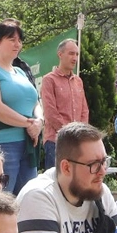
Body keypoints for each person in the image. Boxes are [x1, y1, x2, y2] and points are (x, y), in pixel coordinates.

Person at [0, 20, 42, 195]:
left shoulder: (20, 72)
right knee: (2, 198)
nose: (17, 44)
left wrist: (39, 121)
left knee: (29, 197)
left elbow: (36, 102)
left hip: (28, 143)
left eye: (19, 40)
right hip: (4, 145)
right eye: (12, 39)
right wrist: (28, 123)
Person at [40, 38, 88, 170]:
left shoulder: (78, 81)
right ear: (60, 54)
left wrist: (81, 133)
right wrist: (70, 134)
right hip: (56, 142)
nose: (75, 58)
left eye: (77, 54)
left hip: (76, 141)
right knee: (56, 179)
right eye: (71, 53)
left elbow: (84, 110)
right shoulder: (49, 80)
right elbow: (50, 113)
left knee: (75, 179)